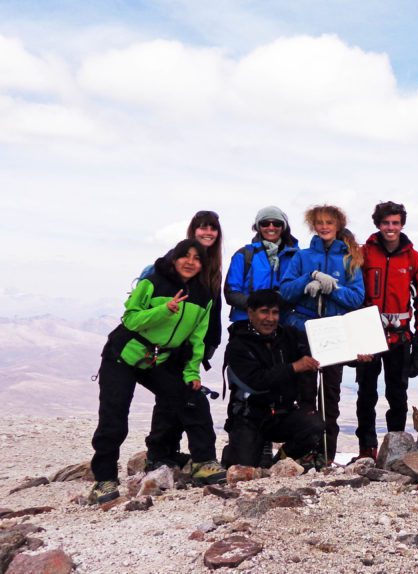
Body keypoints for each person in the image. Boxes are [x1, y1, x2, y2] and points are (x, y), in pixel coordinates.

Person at [89, 239, 226, 504]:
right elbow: (130, 319)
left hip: (157, 361)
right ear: (174, 258)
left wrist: (191, 373)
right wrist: (163, 311)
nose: (190, 262)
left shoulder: (204, 296)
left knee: (192, 398)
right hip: (124, 355)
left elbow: (197, 339)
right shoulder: (152, 282)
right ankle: (103, 480)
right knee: (114, 417)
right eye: (184, 256)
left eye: (197, 258)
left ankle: (203, 462)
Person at [279, 204, 365, 463]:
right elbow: (284, 292)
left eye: (329, 222)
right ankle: (306, 453)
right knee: (305, 395)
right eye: (320, 222)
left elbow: (357, 298)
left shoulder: (350, 258)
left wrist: (332, 287)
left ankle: (327, 455)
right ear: (313, 226)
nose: (325, 226)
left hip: (333, 334)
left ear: (338, 226)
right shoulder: (302, 257)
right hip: (305, 332)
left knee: (330, 396)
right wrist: (309, 279)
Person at [142, 210, 224, 470]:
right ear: (193, 231)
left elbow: (212, 307)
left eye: (212, 228)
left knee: (178, 394)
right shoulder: (176, 259)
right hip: (171, 341)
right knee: (174, 395)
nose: (207, 232)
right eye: (202, 227)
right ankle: (160, 453)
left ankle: (164, 452)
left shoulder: (212, 265)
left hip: (192, 342)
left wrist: (210, 341)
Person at [353, 201, 418, 460]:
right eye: (386, 222)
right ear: (378, 224)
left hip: (399, 337)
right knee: (366, 395)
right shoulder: (364, 253)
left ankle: (395, 449)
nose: (390, 227)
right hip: (368, 335)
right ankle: (367, 449)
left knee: (397, 395)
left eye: (395, 223)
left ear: (402, 224)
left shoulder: (413, 258)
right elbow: (352, 292)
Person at [221, 290, 325, 470]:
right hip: (249, 417)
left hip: (281, 414)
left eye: (275, 312)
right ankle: (233, 452)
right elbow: (256, 381)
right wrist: (293, 367)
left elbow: (319, 354)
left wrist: (355, 358)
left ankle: (280, 463)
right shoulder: (237, 345)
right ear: (250, 313)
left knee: (314, 426)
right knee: (243, 470)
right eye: (264, 311)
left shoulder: (288, 336)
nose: (270, 318)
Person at [224, 206, 300, 324]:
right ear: (258, 226)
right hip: (245, 324)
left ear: (283, 227)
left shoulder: (297, 256)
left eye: (276, 223)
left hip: (282, 324)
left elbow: (298, 291)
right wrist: (260, 305)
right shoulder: (243, 255)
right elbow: (231, 293)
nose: (271, 227)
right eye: (265, 223)